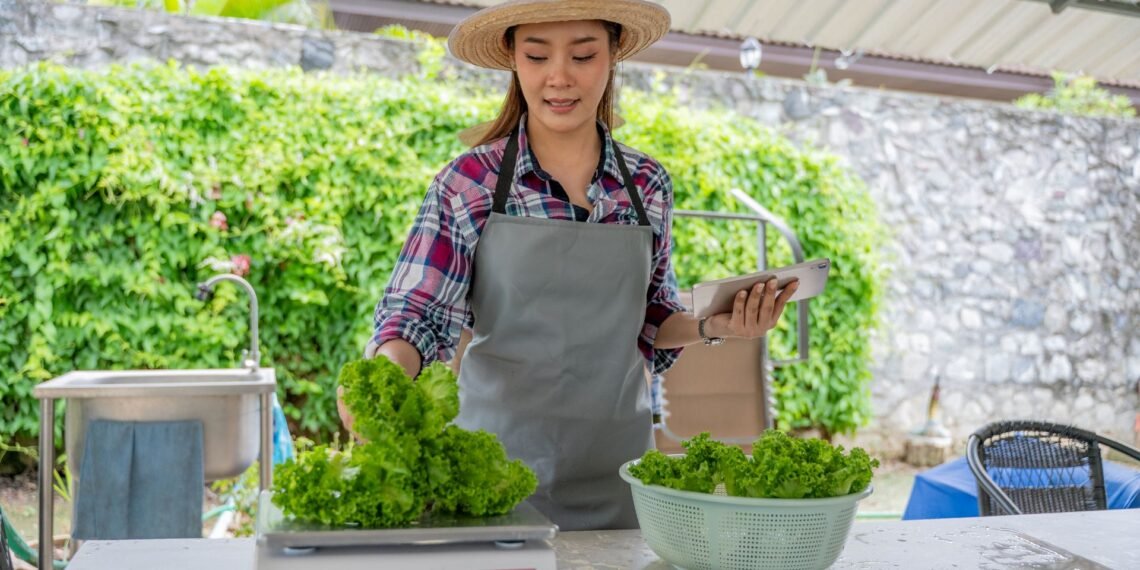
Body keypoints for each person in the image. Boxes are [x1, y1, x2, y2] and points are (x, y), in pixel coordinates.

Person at [339, 0, 799, 531]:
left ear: (613, 56)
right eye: (537, 56)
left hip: (620, 477)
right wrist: (380, 379)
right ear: (514, 60)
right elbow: (415, 314)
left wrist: (713, 324)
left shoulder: (647, 185)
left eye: (583, 55)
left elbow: (651, 317)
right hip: (490, 478)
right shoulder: (469, 182)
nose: (559, 77)